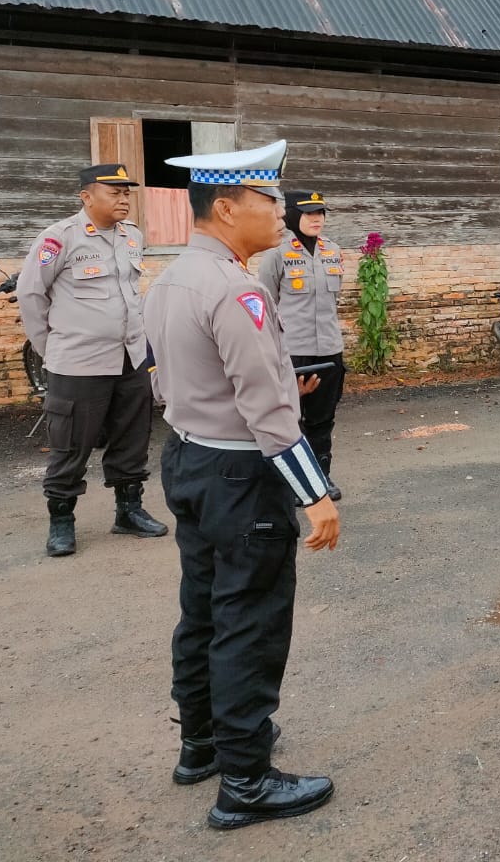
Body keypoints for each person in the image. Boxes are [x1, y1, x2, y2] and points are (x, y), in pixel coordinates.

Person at [144, 139, 340, 830]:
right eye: (268, 200)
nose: (281, 211)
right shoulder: (236, 286)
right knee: (248, 621)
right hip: (239, 475)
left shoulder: (169, 277)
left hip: (190, 460)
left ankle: (202, 745)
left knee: (202, 607)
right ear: (226, 208)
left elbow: (165, 373)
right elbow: (268, 413)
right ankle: (247, 782)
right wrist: (314, 495)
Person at [16, 162, 165, 557]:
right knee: (70, 446)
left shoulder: (131, 237)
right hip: (78, 365)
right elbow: (31, 296)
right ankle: (62, 522)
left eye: (126, 192)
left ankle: (128, 511)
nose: (122, 198)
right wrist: (55, 350)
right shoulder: (59, 239)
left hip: (130, 358)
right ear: (86, 196)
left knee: (132, 440)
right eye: (113, 191)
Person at [258, 191, 347, 500]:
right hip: (293, 352)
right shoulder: (276, 253)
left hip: (329, 351)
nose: (316, 218)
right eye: (309, 213)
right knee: (290, 419)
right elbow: (266, 304)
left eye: (321, 212)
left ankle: (322, 477)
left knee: (323, 419)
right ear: (293, 215)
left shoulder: (332, 251)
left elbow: (334, 301)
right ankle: (294, 482)